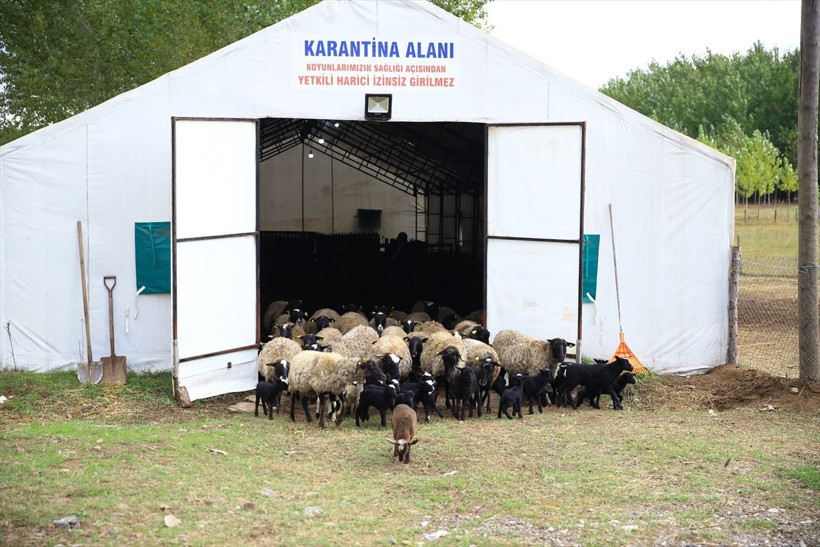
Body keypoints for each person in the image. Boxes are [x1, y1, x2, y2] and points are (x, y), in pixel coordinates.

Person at [388, 232, 415, 311]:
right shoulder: (393, 248)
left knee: (406, 297)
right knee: (395, 296)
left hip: (405, 277)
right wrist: (398, 251)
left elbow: (411, 265)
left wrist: (414, 278)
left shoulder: (408, 250)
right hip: (395, 277)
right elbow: (391, 260)